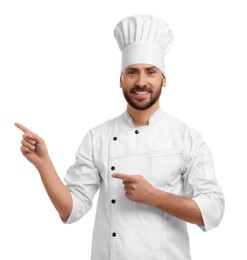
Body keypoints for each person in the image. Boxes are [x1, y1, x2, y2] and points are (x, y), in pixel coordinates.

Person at [15, 14, 224, 260]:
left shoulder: (186, 138)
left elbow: (213, 210)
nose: (141, 82)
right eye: (133, 72)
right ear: (121, 79)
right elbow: (72, 209)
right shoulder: (98, 137)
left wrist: (153, 196)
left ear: (163, 80)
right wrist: (44, 164)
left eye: (151, 72)